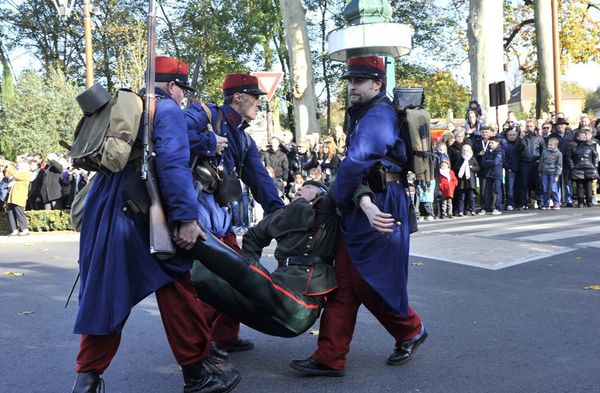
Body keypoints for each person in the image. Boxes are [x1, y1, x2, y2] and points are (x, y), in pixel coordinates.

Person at [69, 56, 240, 393]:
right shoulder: (166, 110)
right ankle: (196, 374)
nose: (183, 99)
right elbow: (173, 167)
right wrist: (187, 219)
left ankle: (87, 381)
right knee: (174, 278)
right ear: (173, 86)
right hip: (139, 211)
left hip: (107, 206)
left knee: (111, 293)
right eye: (182, 91)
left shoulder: (129, 107)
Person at [290, 56, 426, 377]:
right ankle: (330, 356)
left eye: (359, 80)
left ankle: (410, 329)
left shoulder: (378, 114)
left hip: (381, 202)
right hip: (367, 200)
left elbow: (356, 162)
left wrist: (337, 199)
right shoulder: (366, 112)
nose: (352, 85)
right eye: (350, 80)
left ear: (377, 84)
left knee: (367, 281)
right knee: (347, 283)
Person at [189, 180, 369, 337]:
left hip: (301, 304)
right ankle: (189, 255)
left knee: (244, 271)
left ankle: (194, 231)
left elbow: (347, 181)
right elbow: (253, 237)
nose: (298, 189)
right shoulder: (280, 215)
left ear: (319, 194)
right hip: (274, 290)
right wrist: (252, 269)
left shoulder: (326, 208)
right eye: (299, 188)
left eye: (306, 187)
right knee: (206, 282)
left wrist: (367, 204)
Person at [185, 73, 285, 353]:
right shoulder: (202, 114)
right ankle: (200, 347)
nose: (259, 104)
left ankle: (225, 335)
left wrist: (278, 210)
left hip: (221, 218)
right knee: (207, 285)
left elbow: (258, 177)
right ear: (238, 97)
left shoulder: (242, 137)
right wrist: (206, 142)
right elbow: (169, 136)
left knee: (238, 276)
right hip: (197, 215)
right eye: (255, 98)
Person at [517, 120, 545, 210]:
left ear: (534, 127)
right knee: (524, 184)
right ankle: (523, 203)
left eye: (531, 126)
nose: (529, 128)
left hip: (536, 162)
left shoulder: (539, 138)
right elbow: (517, 149)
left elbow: (543, 150)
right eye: (528, 126)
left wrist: (542, 163)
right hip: (525, 163)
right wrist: (520, 139)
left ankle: (540, 202)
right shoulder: (522, 138)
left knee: (538, 183)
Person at [568, 128, 598, 207]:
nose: (584, 137)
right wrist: (572, 166)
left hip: (589, 167)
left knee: (588, 185)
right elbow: (569, 157)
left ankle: (589, 201)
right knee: (579, 186)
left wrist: (595, 166)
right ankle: (581, 202)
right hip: (577, 168)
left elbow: (595, 156)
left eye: (585, 136)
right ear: (578, 137)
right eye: (582, 136)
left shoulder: (591, 145)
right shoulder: (573, 146)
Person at [549, 117, 575, 206]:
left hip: (567, 160)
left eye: (562, 124)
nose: (560, 126)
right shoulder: (552, 136)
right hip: (555, 161)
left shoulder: (571, 135)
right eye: (558, 125)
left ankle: (569, 199)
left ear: (565, 126)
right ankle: (558, 200)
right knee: (556, 180)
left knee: (568, 181)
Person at [4, 160, 31, 236]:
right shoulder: (18, 173)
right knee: (11, 212)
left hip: (19, 197)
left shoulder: (26, 174)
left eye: (20, 166)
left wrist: (9, 166)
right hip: (12, 197)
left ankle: (25, 229)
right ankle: (14, 230)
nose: (18, 167)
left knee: (19, 213)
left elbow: (16, 175)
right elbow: (8, 174)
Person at [481, 136, 504, 215]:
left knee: (497, 191)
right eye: (489, 143)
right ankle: (487, 208)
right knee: (487, 191)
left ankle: (498, 208)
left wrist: (487, 162)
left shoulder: (499, 151)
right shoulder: (488, 152)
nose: (490, 144)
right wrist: (488, 162)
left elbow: (495, 162)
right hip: (488, 174)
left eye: (492, 143)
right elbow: (483, 162)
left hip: (497, 174)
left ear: (497, 143)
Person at [538, 138, 563, 210]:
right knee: (545, 188)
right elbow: (541, 162)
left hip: (553, 173)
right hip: (544, 172)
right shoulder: (544, 152)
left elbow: (559, 165)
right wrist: (540, 171)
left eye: (551, 145)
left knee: (554, 189)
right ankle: (546, 204)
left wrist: (557, 175)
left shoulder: (559, 154)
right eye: (548, 144)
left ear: (556, 145)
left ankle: (556, 203)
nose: (549, 146)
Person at [455, 143, 480, 216]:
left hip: (470, 181)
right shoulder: (460, 159)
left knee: (471, 197)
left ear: (470, 151)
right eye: (464, 150)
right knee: (462, 197)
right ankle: (461, 211)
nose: (466, 152)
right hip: (462, 181)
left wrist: (472, 167)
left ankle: (473, 210)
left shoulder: (472, 159)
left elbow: (477, 168)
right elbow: (456, 168)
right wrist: (461, 168)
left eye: (467, 150)